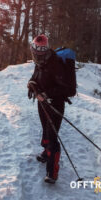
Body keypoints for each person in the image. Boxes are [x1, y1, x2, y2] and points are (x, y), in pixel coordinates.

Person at [27, 34, 72, 184]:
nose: (37, 56)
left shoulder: (55, 64)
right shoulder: (40, 62)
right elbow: (36, 76)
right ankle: (46, 153)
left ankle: (52, 172)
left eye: (39, 54)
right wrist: (31, 84)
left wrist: (46, 94)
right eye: (35, 53)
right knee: (45, 130)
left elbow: (68, 89)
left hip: (55, 104)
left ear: (45, 51)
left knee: (52, 135)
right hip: (42, 103)